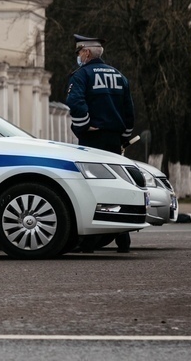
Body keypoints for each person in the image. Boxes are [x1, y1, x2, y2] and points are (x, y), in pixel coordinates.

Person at [66, 34, 135, 253]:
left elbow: (75, 102)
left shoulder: (81, 75)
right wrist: (124, 137)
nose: (78, 56)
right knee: (115, 184)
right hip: (115, 140)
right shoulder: (119, 76)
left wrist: (85, 125)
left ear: (85, 52)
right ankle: (122, 237)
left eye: (79, 52)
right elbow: (129, 111)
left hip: (92, 140)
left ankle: (90, 241)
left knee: (93, 187)